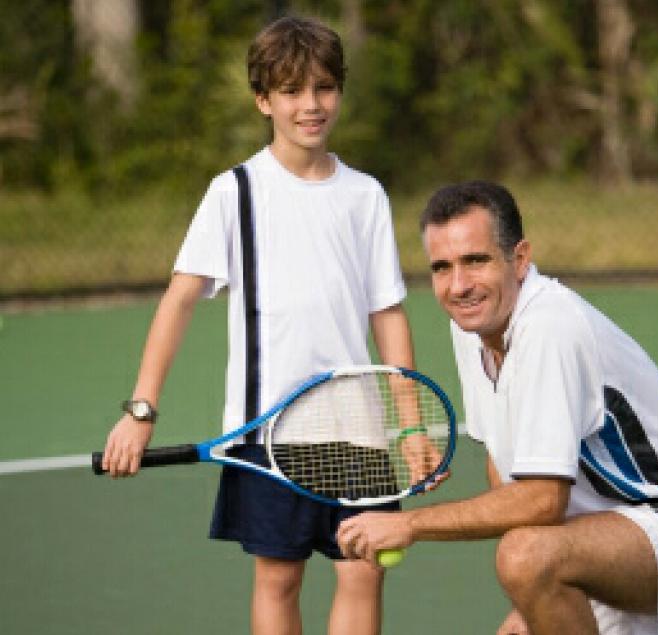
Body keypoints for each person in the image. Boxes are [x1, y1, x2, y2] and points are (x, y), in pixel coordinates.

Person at [99, 16, 414, 635]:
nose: (311, 105)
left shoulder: (366, 195)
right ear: (264, 100)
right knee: (278, 579)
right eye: (293, 91)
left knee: (363, 567)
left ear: (340, 93)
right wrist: (140, 411)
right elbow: (180, 299)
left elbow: (388, 313)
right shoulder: (234, 191)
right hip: (268, 432)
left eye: (324, 88)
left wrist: (408, 423)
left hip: (359, 429)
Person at [336, 181, 658, 635]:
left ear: (519, 260)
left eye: (475, 261)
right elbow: (504, 467)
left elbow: (541, 499)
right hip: (598, 538)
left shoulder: (550, 327)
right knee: (525, 567)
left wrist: (412, 526)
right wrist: (530, 601)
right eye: (442, 268)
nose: (459, 286)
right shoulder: (472, 327)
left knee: (522, 556)